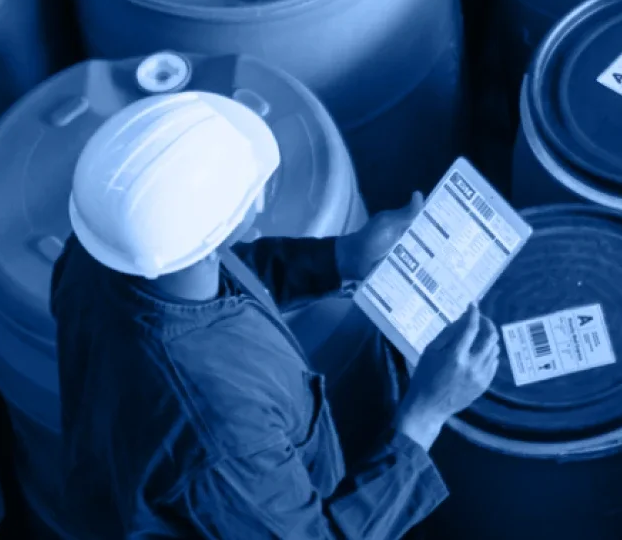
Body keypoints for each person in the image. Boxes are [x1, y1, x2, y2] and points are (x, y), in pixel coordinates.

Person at [50, 90, 500, 539]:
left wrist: (343, 256)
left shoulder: (107, 251)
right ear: (226, 223)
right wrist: (425, 413)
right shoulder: (224, 434)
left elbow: (216, 268)